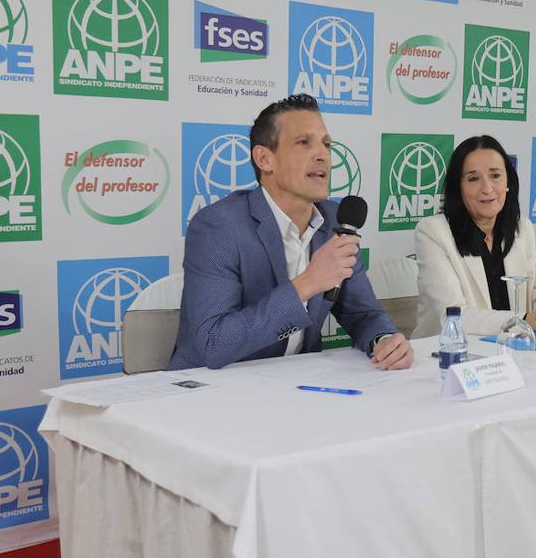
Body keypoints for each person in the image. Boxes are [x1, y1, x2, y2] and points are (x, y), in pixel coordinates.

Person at [168, 94, 413, 371]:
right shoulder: (218, 226)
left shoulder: (336, 220)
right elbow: (213, 344)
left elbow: (363, 313)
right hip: (208, 391)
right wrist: (307, 283)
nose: (322, 155)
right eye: (303, 143)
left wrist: (382, 340)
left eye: (326, 144)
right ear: (264, 159)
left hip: (292, 388)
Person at [413, 135, 536, 338]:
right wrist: (530, 320)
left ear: (508, 182)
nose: (487, 188)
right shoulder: (433, 232)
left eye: (495, 176)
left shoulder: (522, 228)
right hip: (447, 352)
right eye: (473, 178)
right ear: (458, 188)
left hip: (511, 349)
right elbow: (453, 314)